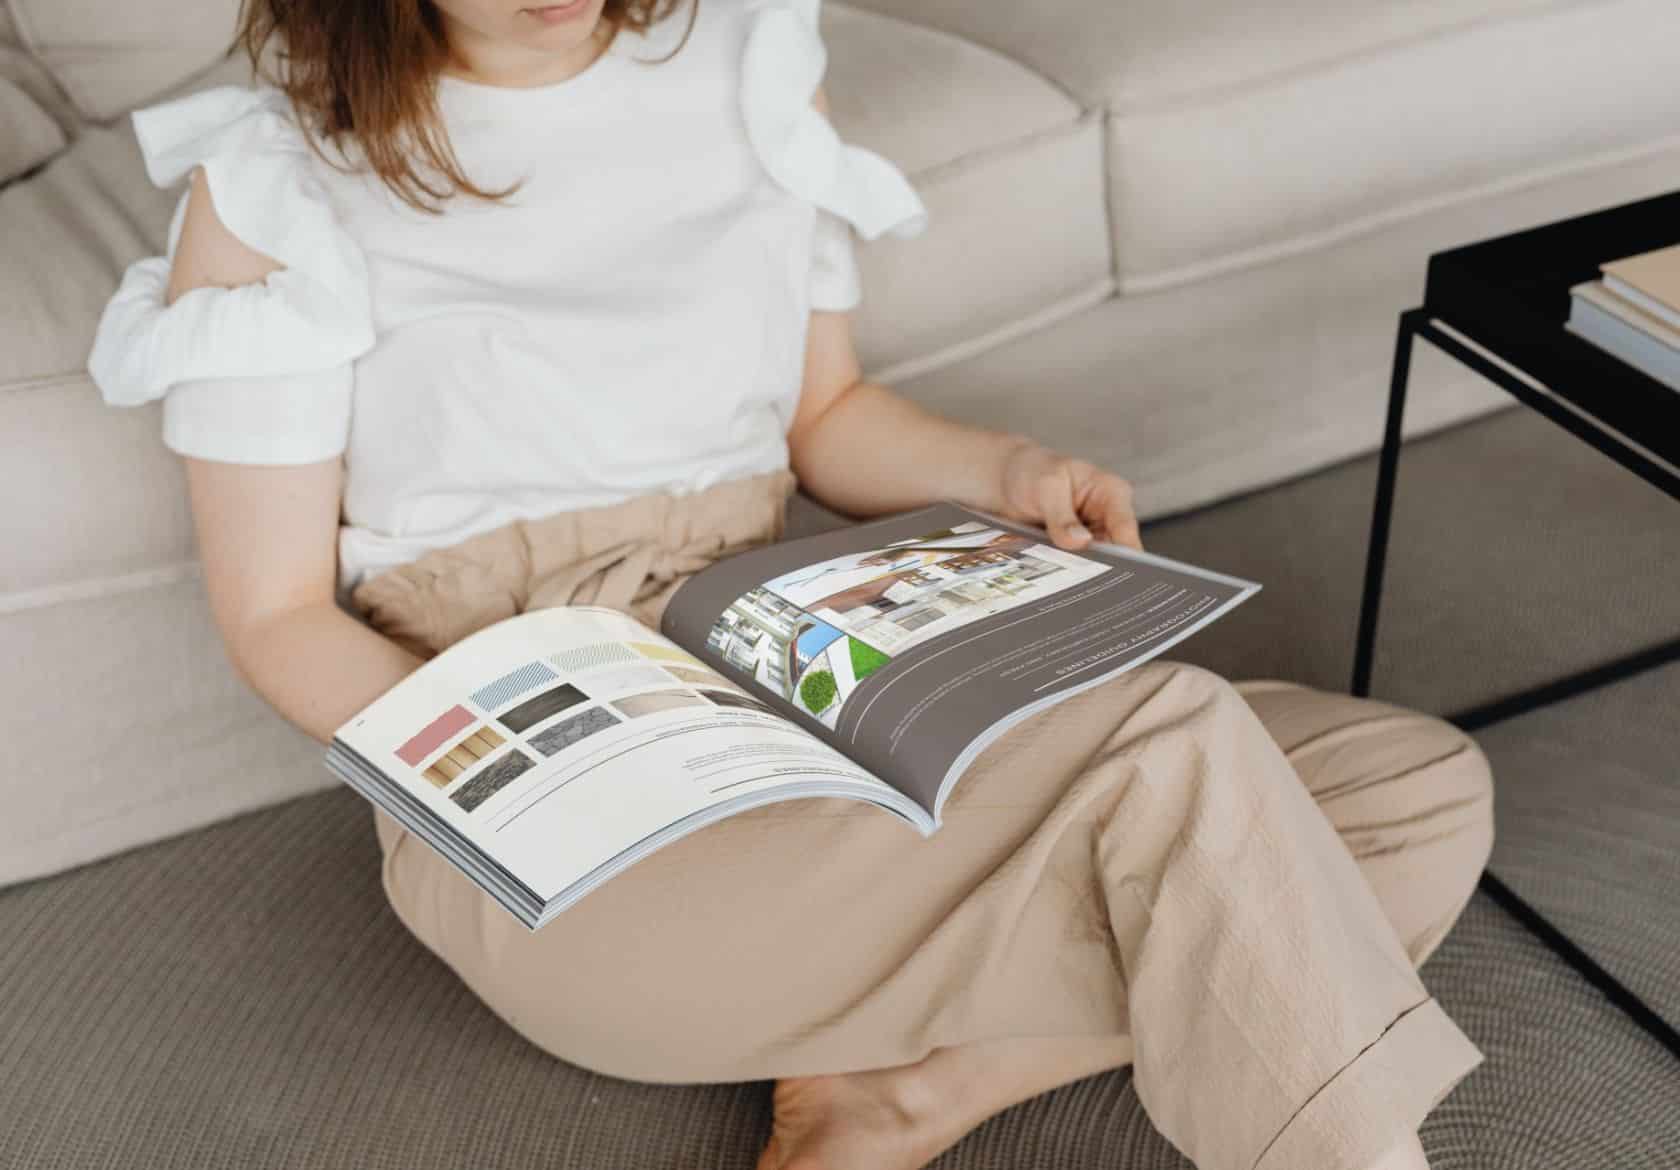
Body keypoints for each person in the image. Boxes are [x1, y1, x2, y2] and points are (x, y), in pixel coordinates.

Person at [85, 1, 1496, 1168]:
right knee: (1175, 748)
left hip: (785, 661)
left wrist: (1006, 469)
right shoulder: (276, 179)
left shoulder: (742, 57)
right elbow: (276, 618)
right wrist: (533, 771)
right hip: (553, 806)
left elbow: (826, 417)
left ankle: (917, 1089)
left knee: (1416, 795)